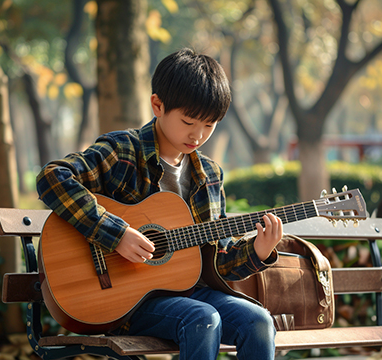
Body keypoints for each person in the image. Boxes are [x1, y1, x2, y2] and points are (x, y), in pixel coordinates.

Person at [36, 48, 283, 360]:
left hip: (192, 293)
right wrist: (117, 234)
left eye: (210, 125)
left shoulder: (208, 175)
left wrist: (258, 251)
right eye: (189, 121)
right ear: (157, 105)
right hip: (127, 300)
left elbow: (217, 263)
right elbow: (52, 177)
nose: (198, 135)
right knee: (203, 319)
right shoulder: (122, 151)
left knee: (258, 322)